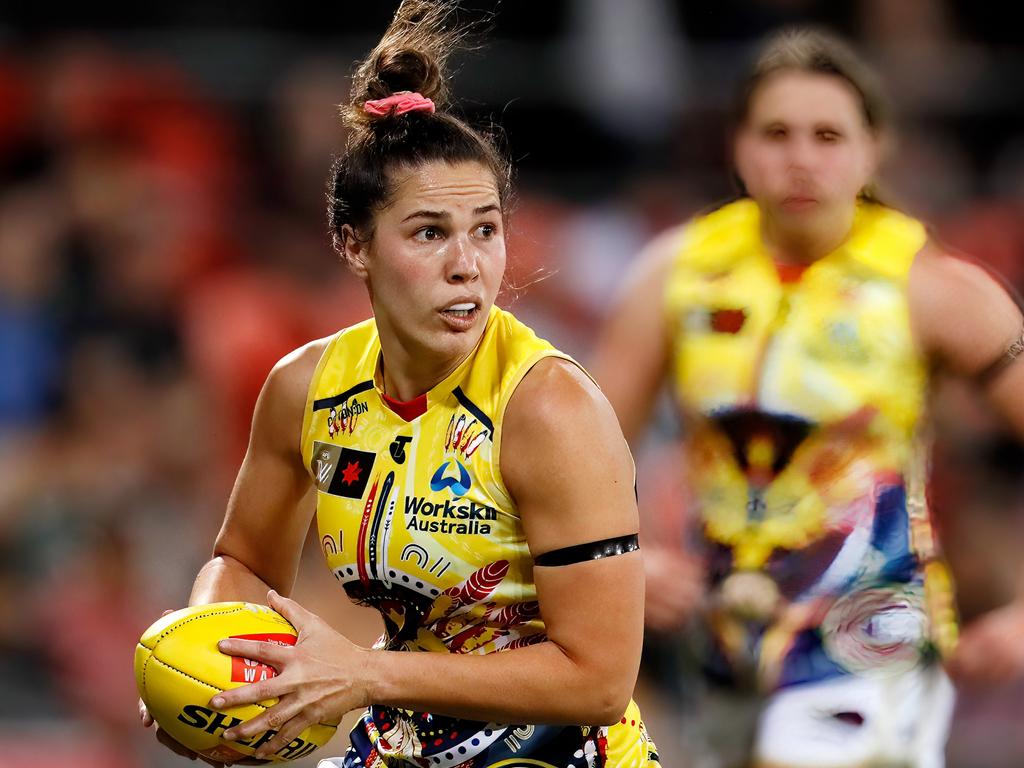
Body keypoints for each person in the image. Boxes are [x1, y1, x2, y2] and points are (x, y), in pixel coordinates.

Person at [139, 2, 659, 767]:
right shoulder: (305, 389)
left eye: (486, 228)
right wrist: (209, 668)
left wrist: (363, 673)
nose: (468, 264)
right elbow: (243, 561)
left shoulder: (550, 408)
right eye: (429, 232)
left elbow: (599, 680)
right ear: (353, 244)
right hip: (398, 745)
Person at [593, 26, 1024, 768]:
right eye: (777, 133)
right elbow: (580, 455)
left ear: (872, 148)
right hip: (724, 643)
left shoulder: (933, 288)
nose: (800, 157)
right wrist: (621, 560)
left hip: (873, 631)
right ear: (738, 145)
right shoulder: (675, 275)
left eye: (827, 135)